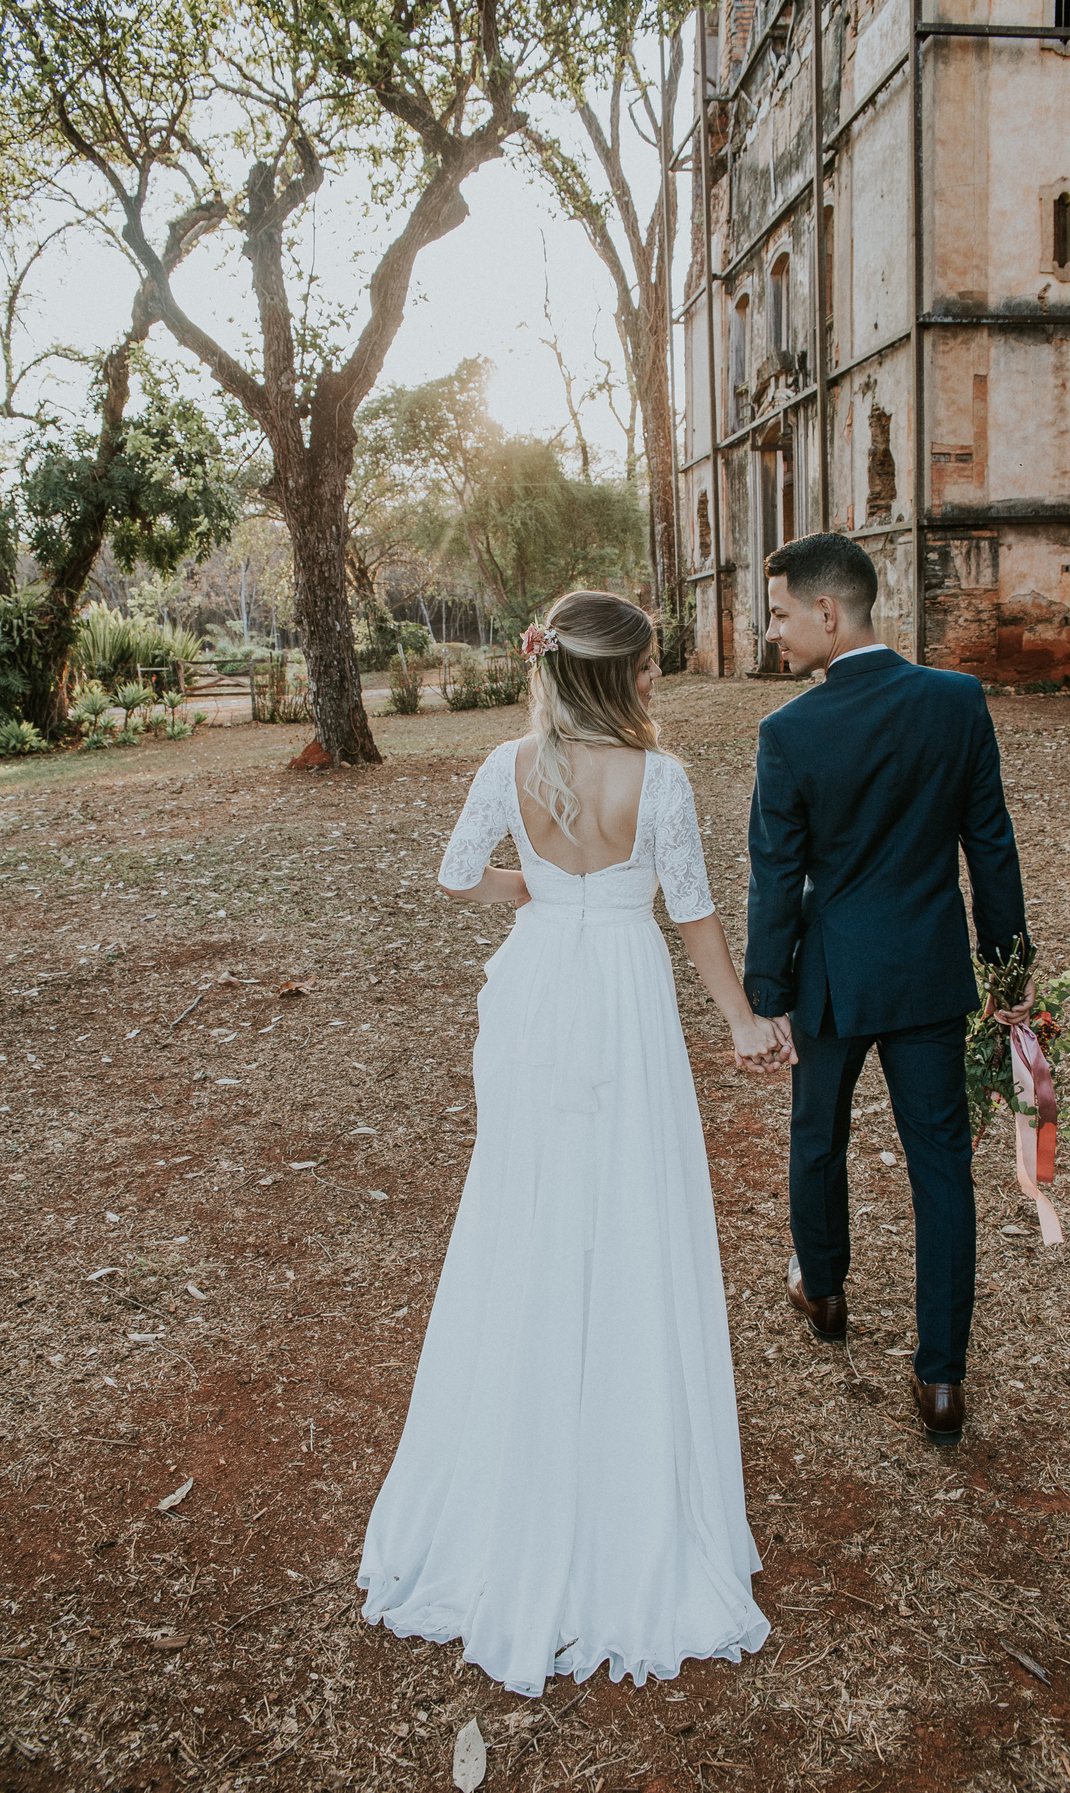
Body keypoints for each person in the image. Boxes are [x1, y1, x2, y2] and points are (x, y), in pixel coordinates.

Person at [358, 590, 785, 1697]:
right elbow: (689, 914)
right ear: (623, 674)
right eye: (648, 665)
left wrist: (537, 889)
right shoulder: (666, 780)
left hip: (543, 987)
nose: (656, 679)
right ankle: (627, 1464)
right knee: (629, 1207)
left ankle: (525, 1440)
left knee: (528, 1207)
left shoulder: (509, 765)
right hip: (626, 997)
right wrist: (743, 1025)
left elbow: (458, 878)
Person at [743, 534, 1031, 1445]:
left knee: (817, 1137)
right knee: (941, 1167)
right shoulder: (956, 701)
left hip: (832, 980)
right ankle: (941, 1379)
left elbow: (776, 876)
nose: (773, 632)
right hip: (931, 974)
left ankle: (822, 1292)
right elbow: (990, 845)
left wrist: (765, 992)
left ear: (828, 613)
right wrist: (1011, 973)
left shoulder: (790, 731)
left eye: (782, 614)